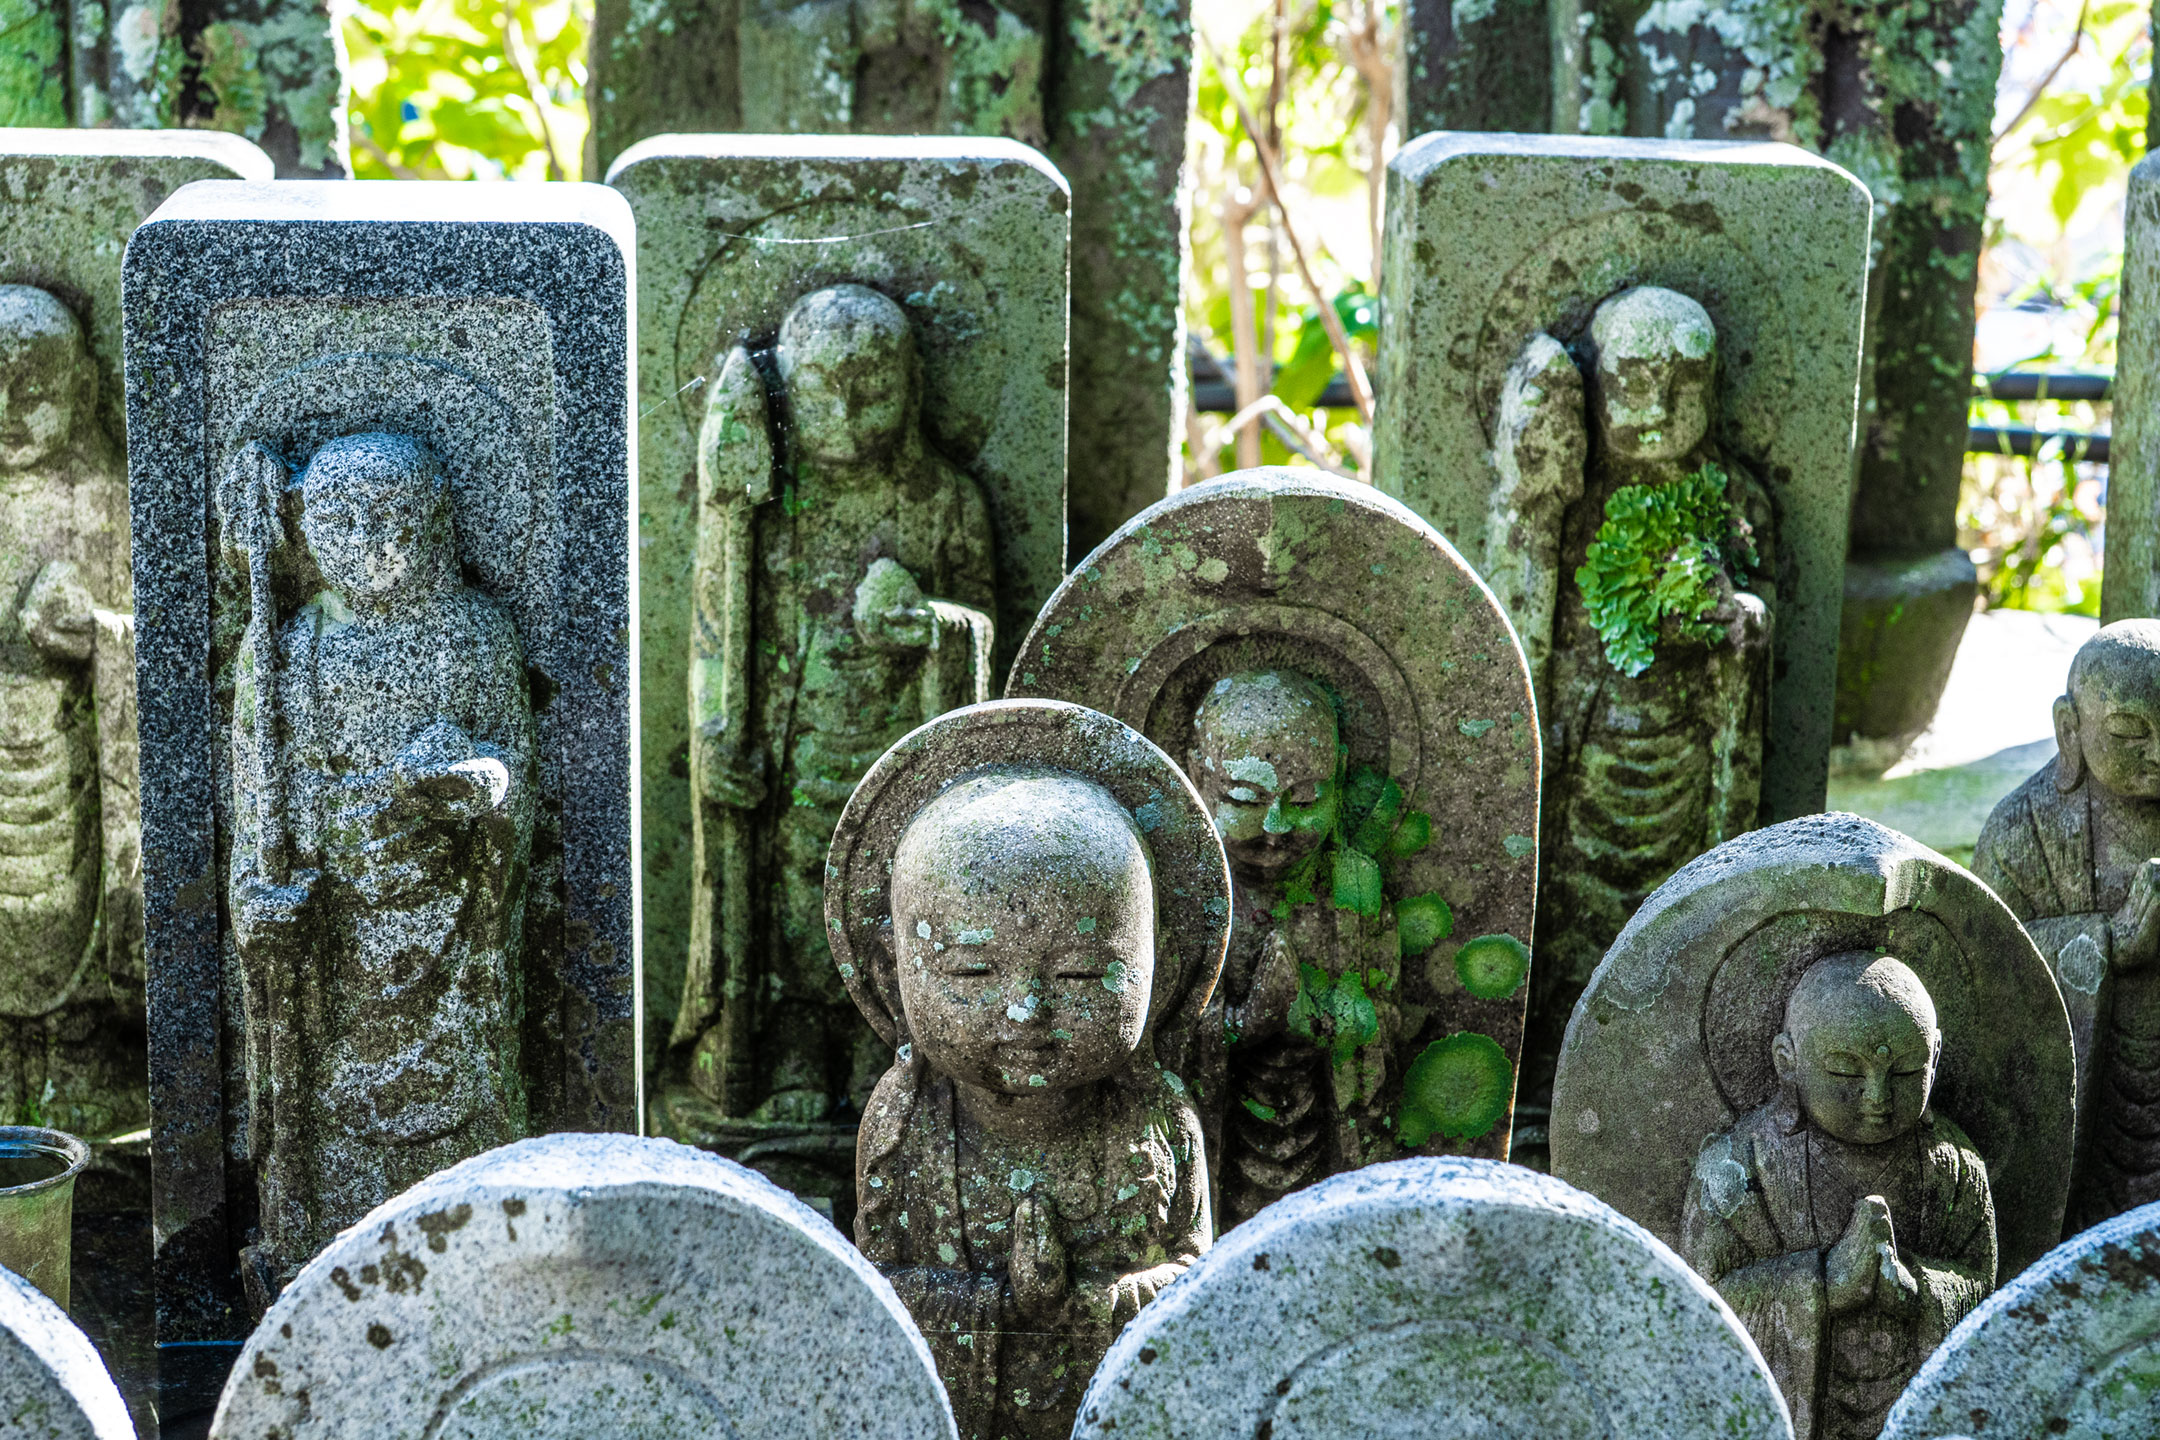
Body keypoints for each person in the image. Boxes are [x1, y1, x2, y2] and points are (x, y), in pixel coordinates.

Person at [675, 284, 995, 1131]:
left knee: (891, 899)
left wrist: (933, 625)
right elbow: (716, 635)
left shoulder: (946, 501)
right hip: (791, 761)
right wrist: (717, 740)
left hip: (896, 753)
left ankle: (883, 1037)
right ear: (785, 387)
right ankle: (792, 1045)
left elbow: (985, 631)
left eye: (873, 391)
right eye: (821, 392)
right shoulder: (764, 511)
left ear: (914, 387)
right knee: (791, 907)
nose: (848, 417)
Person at [227, 431, 535, 1302]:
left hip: (448, 947)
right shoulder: (282, 655)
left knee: (456, 1113)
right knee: (334, 1128)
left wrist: (472, 787)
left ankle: (472, 1267)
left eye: (390, 517)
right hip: (334, 952)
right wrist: (264, 906)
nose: (368, 540)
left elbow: (515, 788)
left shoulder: (474, 636)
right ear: (307, 530)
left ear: (432, 521)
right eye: (340, 521)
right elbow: (257, 817)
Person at [856, 769, 1209, 1440]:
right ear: (890, 974)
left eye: (1079, 973)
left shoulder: (1155, 1116)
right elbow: (877, 1302)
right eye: (971, 972)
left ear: (1157, 972)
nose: (1027, 1012)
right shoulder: (906, 1122)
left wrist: (1087, 1306)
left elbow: (1201, 1288)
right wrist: (1005, 1307)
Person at [1682, 953, 1996, 1440]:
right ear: (1787, 1063)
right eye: (1847, 1073)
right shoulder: (1738, 1167)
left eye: (1906, 1072)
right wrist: (1825, 1282)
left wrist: (1920, 1291)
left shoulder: (1954, 1169)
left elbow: (1989, 1292)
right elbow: (1700, 1306)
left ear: (1934, 1057)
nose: (1878, 1097)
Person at [0, 285, 140, 1140]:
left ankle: (78, 1063)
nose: (10, 413)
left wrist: (98, 637)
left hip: (72, 767)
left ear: (84, 388)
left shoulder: (105, 499)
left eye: (35, 388)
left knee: (73, 926)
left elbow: (153, 636)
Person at [1183, 668, 1398, 1225]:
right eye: (1246, 799)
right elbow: (1150, 1040)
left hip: (1327, 1137)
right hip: (1216, 1142)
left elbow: (1384, 1014)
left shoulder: (1354, 884)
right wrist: (1238, 1027)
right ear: (1194, 775)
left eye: (1305, 799)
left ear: (1341, 775)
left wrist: (1332, 1023)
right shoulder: (1181, 894)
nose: (1276, 826)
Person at [1974, 619, 2160, 1229]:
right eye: (2130, 732)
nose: (2158, 752)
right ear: (2069, 729)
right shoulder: (2021, 831)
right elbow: (1985, 969)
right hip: (2085, 1099)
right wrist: (2109, 942)